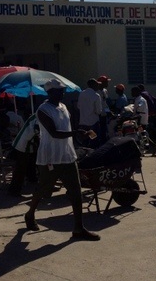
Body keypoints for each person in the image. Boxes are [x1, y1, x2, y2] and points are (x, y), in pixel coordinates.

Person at [24, 79, 100, 241]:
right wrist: (76, 133)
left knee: (76, 191)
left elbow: (67, 129)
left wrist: (79, 135)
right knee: (44, 190)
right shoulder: (43, 110)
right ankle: (30, 214)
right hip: (50, 157)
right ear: (50, 92)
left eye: (63, 90)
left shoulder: (64, 107)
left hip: (67, 155)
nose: (62, 93)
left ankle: (78, 229)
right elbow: (54, 133)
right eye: (59, 90)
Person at [8, 113, 39, 197]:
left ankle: (32, 180)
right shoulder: (39, 118)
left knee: (30, 165)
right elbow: (38, 131)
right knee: (20, 169)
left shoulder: (37, 116)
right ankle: (14, 190)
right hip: (23, 145)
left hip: (26, 145)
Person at [131, 86, 156, 156]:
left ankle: (151, 147)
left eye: (133, 91)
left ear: (137, 92)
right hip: (139, 120)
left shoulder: (141, 100)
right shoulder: (137, 99)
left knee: (142, 135)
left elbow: (140, 110)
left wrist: (137, 119)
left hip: (141, 121)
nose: (131, 93)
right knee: (142, 135)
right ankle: (151, 146)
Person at [77, 78, 102, 148]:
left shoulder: (81, 94)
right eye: (97, 85)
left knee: (84, 141)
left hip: (83, 123)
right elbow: (98, 111)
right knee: (94, 141)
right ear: (93, 85)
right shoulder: (96, 95)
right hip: (93, 124)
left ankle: (84, 155)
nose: (98, 86)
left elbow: (78, 106)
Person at [97, 75, 112, 144]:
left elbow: (105, 103)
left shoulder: (105, 91)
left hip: (104, 114)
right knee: (98, 131)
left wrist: (108, 111)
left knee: (104, 131)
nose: (107, 84)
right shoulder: (96, 92)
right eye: (106, 82)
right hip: (98, 114)